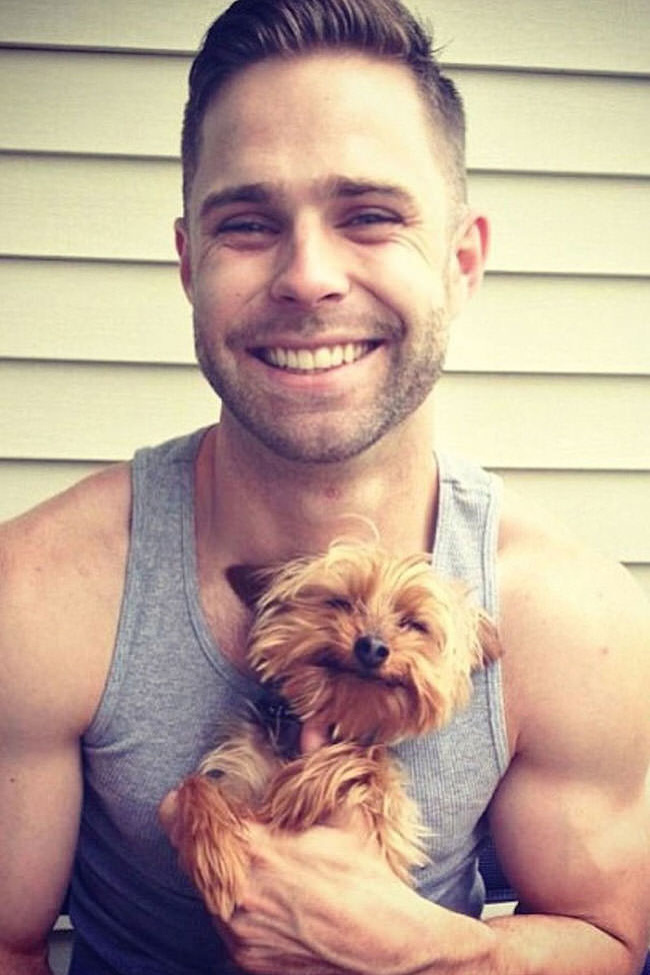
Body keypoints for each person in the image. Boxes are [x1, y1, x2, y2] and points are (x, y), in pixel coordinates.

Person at [1, 0, 649, 972]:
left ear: (461, 262)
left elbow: (610, 939)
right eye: (249, 222)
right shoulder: (36, 590)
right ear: (188, 263)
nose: (308, 277)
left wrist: (431, 955)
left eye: (370, 216)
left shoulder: (575, 619)